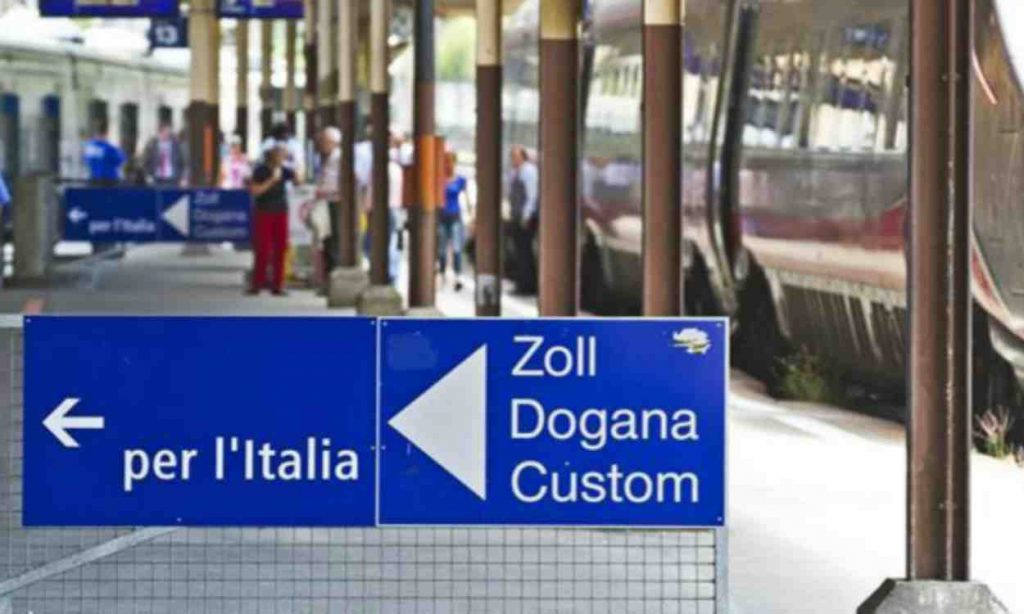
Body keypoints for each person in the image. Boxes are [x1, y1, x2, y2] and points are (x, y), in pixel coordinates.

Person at [248, 142, 296, 296]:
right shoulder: (261, 170)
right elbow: (255, 191)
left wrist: (295, 164)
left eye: (284, 155)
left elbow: (298, 179)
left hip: (281, 210)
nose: (282, 158)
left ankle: (278, 284)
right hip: (264, 210)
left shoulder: (284, 170)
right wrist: (271, 181)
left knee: (280, 248)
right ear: (272, 155)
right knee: (263, 248)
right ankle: (257, 283)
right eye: (280, 155)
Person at [508, 144, 538, 294]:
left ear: (522, 157)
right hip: (517, 215)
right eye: (512, 156)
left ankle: (527, 285)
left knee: (524, 251)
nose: (513, 159)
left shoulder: (529, 171)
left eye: (515, 156)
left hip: (526, 217)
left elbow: (532, 196)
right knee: (519, 251)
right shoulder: (515, 172)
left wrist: (526, 215)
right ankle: (522, 283)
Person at [438, 151, 469, 291]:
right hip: (442, 216)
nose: (448, 165)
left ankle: (458, 275)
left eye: (451, 162)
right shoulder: (439, 180)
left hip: (455, 216)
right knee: (442, 248)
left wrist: (470, 215)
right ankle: (442, 274)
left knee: (456, 247)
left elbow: (467, 198)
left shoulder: (460, 180)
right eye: (446, 162)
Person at [314, 127, 341, 276]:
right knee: (325, 237)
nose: (322, 144)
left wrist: (329, 191)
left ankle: (334, 269)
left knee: (334, 237)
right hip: (325, 201)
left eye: (324, 141)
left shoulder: (339, 157)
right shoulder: (324, 157)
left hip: (335, 201)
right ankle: (328, 270)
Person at [141, 122, 185, 187]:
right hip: (156, 179)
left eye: (169, 132)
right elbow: (145, 162)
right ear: (159, 132)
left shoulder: (176, 145)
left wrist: (183, 178)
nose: (167, 135)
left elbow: (182, 162)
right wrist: (147, 176)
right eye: (165, 132)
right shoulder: (152, 145)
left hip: (172, 179)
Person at [83, 120, 125, 186]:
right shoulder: (109, 148)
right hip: (109, 182)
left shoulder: (89, 147)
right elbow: (121, 159)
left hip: (93, 180)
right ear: (106, 133)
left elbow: (85, 160)